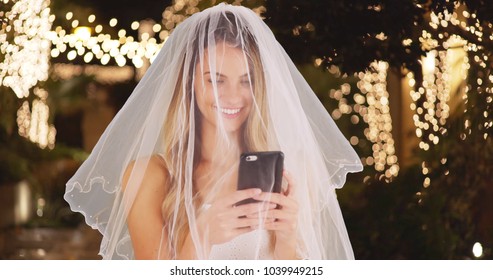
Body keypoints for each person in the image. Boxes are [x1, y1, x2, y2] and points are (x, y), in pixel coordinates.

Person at [64, 3, 363, 260]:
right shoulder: (149, 175)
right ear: (189, 84)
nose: (233, 96)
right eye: (216, 80)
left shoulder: (289, 174)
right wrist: (202, 235)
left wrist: (286, 237)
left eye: (247, 80)